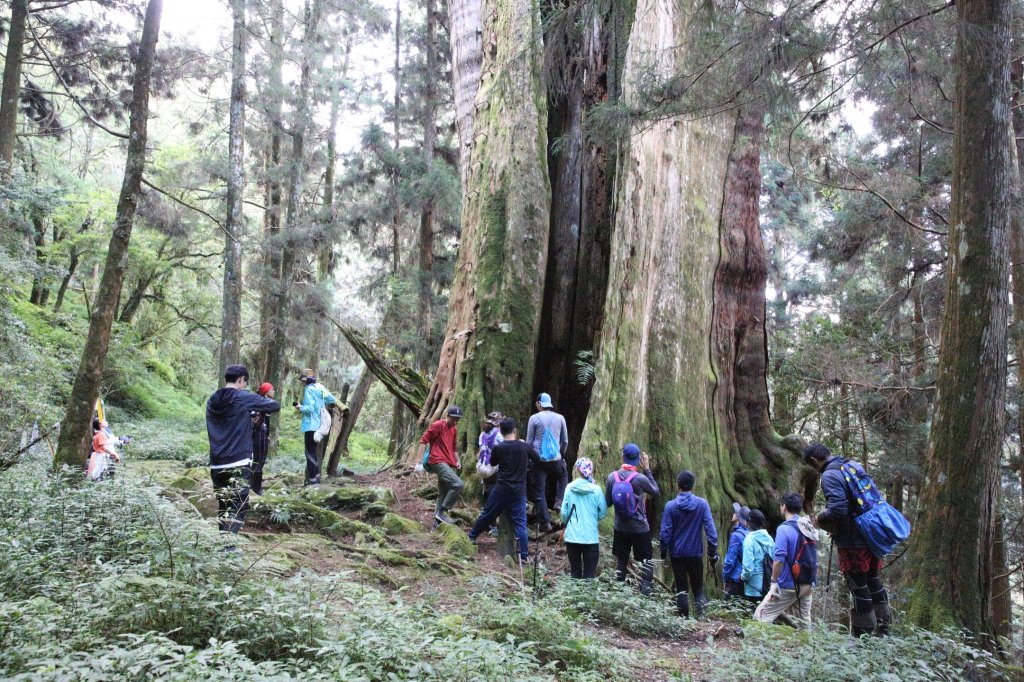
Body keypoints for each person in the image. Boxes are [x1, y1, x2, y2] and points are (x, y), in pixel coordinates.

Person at [804, 442, 891, 637]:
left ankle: (863, 636)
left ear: (813, 460)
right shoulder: (852, 465)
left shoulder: (829, 475)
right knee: (873, 581)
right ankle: (884, 630)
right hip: (871, 535)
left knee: (858, 586)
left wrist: (819, 517)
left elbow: (838, 508)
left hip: (853, 542)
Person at [206, 364, 281, 534]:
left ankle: (222, 541)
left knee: (224, 504)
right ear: (241, 380)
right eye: (245, 383)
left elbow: (229, 422)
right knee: (238, 504)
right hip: (238, 461)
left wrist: (248, 420)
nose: (244, 386)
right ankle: (229, 548)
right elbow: (274, 406)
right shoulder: (242, 397)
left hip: (217, 462)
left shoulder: (212, 400)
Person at [467, 417, 538, 564]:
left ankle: (472, 536)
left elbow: (493, 462)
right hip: (519, 489)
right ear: (514, 430)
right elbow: (537, 458)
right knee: (520, 522)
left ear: (501, 431)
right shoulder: (524, 446)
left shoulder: (499, 448)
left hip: (502, 487)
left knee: (488, 513)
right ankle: (524, 556)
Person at [754, 492, 818, 628]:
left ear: (784, 506)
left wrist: (773, 582)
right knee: (803, 622)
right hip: (808, 583)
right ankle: (807, 648)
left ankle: (758, 646)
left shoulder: (784, 529)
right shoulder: (807, 526)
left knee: (760, 616)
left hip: (789, 584)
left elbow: (779, 559)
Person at [659, 470, 719, 617]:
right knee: (698, 589)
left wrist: (663, 551)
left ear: (678, 485)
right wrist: (712, 553)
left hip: (677, 554)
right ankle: (703, 619)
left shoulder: (670, 506)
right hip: (696, 554)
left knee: (681, 589)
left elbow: (665, 533)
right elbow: (711, 532)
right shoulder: (702, 504)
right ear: (692, 485)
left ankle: (684, 621)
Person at [605, 443, 660, 594]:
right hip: (640, 528)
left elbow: (608, 503)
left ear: (622, 456)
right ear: (638, 460)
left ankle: (619, 593)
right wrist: (647, 470)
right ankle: (645, 595)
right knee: (646, 562)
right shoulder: (640, 479)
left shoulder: (612, 477)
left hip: (620, 527)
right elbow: (655, 492)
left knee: (621, 562)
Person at [525, 392, 569, 531]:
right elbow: (565, 441)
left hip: (539, 460)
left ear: (539, 404)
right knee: (563, 475)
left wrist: (529, 459)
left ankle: (545, 523)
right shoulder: (560, 418)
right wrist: (561, 456)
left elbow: (529, 442)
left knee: (540, 491)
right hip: (556, 459)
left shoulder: (534, 418)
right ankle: (559, 501)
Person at [559, 457, 608, 579]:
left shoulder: (569, 488)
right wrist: (592, 519)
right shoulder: (596, 490)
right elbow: (603, 512)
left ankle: (574, 597)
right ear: (591, 470)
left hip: (572, 537)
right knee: (589, 574)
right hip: (590, 537)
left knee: (575, 572)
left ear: (577, 469)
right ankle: (587, 597)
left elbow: (564, 513)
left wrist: (567, 522)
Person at [417, 405, 464, 526]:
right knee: (458, 484)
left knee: (443, 493)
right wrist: (419, 463)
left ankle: (436, 524)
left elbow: (454, 448)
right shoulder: (438, 425)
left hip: (448, 463)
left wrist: (457, 461)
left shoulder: (454, 429)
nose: (455, 421)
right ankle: (443, 511)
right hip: (437, 460)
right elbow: (423, 441)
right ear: (447, 416)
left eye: (457, 419)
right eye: (453, 418)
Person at [294, 368, 337, 485]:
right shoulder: (320, 388)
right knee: (313, 450)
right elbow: (332, 399)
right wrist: (322, 405)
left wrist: (300, 407)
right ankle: (317, 475)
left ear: (305, 381)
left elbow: (309, 409)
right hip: (320, 426)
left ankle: (313, 479)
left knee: (309, 452)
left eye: (302, 381)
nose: (301, 383)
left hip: (310, 425)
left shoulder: (308, 390)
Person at [740, 509, 774, 606]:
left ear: (748, 523)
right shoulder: (769, 538)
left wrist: (743, 577)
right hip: (767, 584)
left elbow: (748, 567)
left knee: (753, 614)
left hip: (753, 587)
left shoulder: (749, 539)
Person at [250, 382, 275, 495]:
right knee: (259, 461)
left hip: (261, 435)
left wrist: (267, 435)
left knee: (258, 461)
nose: (273, 391)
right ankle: (256, 488)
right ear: (266, 392)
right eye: (272, 389)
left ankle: (254, 486)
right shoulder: (262, 404)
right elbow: (255, 422)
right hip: (258, 436)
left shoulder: (260, 403)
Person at [722, 502, 750, 599]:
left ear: (738, 517)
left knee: (726, 610)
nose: (733, 514)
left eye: (735, 513)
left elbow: (730, 560)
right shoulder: (748, 533)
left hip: (735, 578)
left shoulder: (736, 536)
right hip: (746, 578)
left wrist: (725, 578)